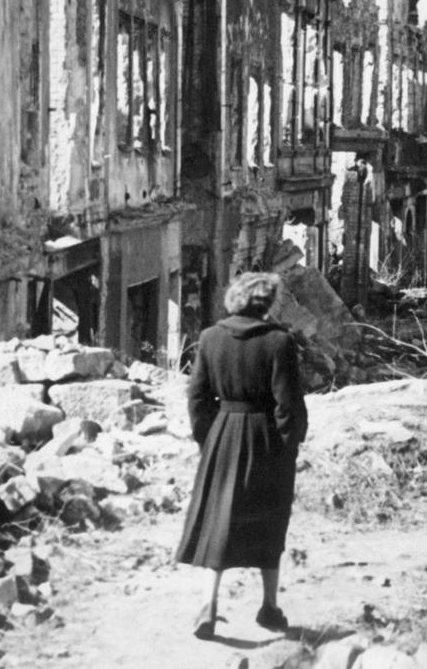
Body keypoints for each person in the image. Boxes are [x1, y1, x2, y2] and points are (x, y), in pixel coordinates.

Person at [175, 272, 308, 639]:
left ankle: (208, 605)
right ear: (266, 303)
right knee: (270, 520)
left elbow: (197, 398)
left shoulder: (210, 338)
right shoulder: (279, 342)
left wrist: (209, 439)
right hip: (266, 438)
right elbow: (288, 404)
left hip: (223, 434)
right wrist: (289, 446)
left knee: (219, 520)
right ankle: (269, 607)